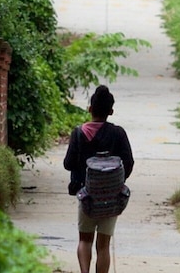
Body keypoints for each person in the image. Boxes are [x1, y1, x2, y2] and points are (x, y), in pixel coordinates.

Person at [63, 85, 133, 273]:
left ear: (90, 109)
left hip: (87, 195)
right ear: (111, 111)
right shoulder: (118, 133)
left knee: (84, 240)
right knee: (103, 245)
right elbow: (129, 162)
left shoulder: (78, 133)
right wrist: (115, 181)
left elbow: (68, 164)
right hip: (111, 197)